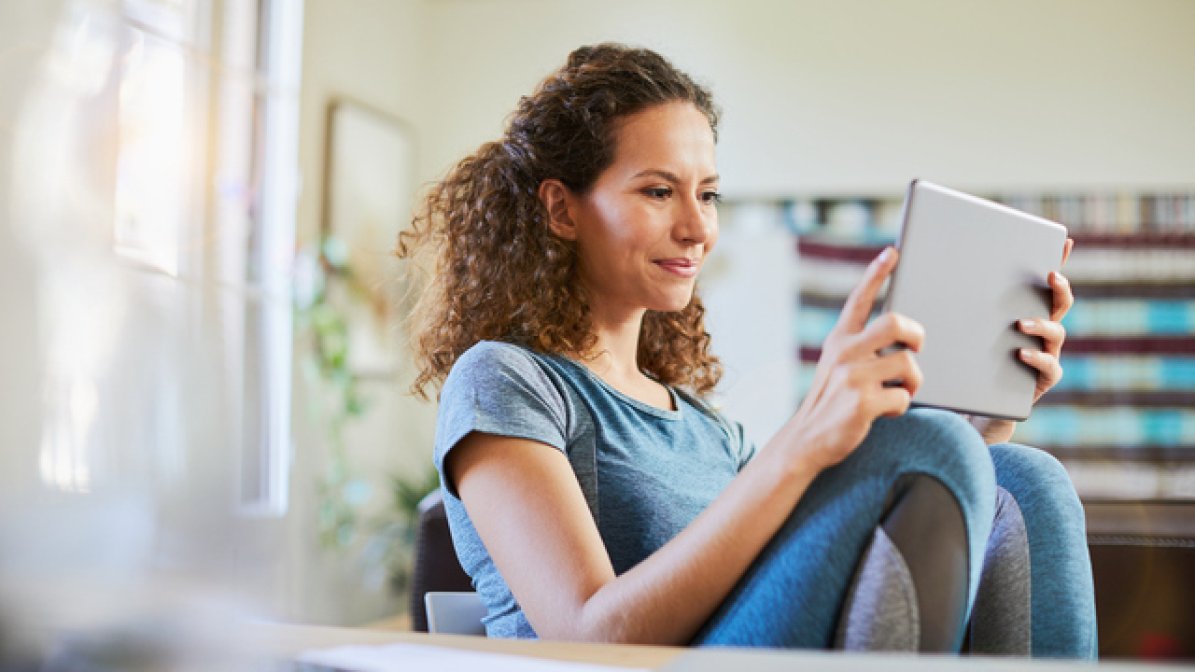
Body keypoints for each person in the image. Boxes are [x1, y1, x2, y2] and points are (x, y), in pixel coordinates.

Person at [397, 43, 1096, 657]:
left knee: (1020, 475)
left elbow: (805, 581)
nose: (697, 227)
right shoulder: (503, 379)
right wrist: (806, 438)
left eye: (708, 194)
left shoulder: (708, 428)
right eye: (658, 191)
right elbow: (588, 635)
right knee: (926, 442)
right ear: (561, 210)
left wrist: (983, 418)